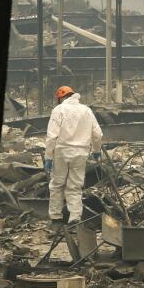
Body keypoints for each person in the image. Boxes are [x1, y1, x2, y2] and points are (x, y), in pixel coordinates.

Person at [45, 85, 103, 225]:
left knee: (57, 184)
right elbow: (98, 134)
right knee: (75, 186)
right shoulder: (86, 110)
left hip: (62, 151)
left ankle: (56, 217)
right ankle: (75, 217)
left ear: (61, 98)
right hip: (81, 152)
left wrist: (48, 157)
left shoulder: (58, 110)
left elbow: (52, 136)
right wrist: (96, 151)